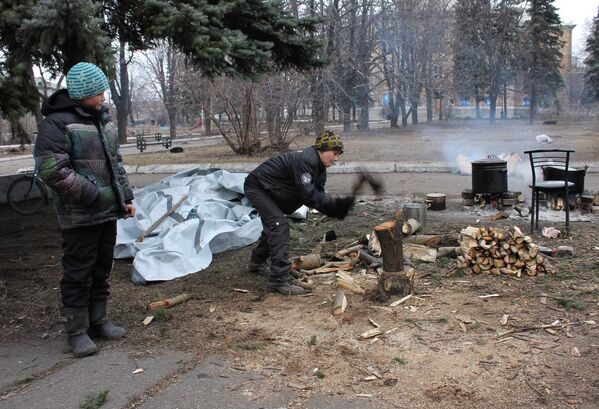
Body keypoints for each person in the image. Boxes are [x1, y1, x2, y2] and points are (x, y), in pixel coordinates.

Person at [34, 62, 136, 357]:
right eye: (99, 92)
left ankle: (98, 321)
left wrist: (125, 197)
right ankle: (76, 331)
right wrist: (93, 195)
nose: (104, 97)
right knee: (78, 271)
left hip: (107, 212)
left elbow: (115, 163)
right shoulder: (57, 123)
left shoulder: (103, 120)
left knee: (102, 267)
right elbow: (52, 169)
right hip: (79, 214)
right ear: (83, 93)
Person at [244, 130, 355, 295]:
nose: (336, 158)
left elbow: (318, 196)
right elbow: (309, 196)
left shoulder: (320, 169)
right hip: (258, 187)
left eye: (338, 154)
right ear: (323, 149)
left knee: (275, 225)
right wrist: (335, 205)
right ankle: (278, 281)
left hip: (273, 190)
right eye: (334, 153)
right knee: (279, 225)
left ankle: (257, 263)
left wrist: (335, 207)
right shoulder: (306, 161)